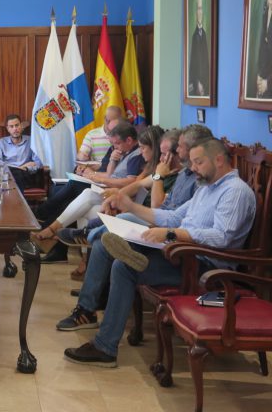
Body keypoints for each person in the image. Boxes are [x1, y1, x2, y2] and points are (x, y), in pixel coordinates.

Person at [62, 138, 255, 368]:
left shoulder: (235, 192)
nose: (192, 168)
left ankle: (105, 347)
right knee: (120, 259)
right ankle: (127, 250)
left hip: (204, 267)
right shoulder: (207, 188)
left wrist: (172, 234)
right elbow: (173, 217)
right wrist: (131, 206)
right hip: (182, 254)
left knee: (124, 267)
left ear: (219, 160)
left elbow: (221, 237)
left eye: (198, 162)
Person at [55, 124, 212, 332]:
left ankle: (87, 236)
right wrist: (121, 199)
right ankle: (87, 309)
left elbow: (166, 213)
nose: (163, 157)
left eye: (174, 150)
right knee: (105, 242)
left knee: (118, 235)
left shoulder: (200, 182)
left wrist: (157, 177)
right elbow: (166, 210)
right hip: (162, 229)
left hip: (177, 245)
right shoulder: (186, 175)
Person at [35, 121, 144, 262]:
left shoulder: (136, 155)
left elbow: (131, 182)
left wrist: (97, 178)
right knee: (80, 200)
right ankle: (82, 259)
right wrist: (112, 160)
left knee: (79, 194)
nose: (114, 147)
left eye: (117, 144)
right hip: (109, 193)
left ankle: (48, 225)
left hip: (117, 198)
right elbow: (112, 175)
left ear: (129, 140)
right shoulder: (122, 151)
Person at [0, 113, 42, 193]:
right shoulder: (0, 142)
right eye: (11, 126)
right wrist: (21, 167)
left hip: (26, 175)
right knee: (15, 174)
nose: (15, 129)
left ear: (21, 126)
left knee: (18, 175)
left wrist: (25, 168)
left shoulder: (31, 141)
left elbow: (38, 162)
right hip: (8, 175)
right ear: (8, 129)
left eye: (17, 125)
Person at [255, 0, 272, 98]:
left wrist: (268, 83)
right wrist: (259, 77)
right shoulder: (264, 14)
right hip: (263, 84)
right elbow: (262, 50)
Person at [188, 0, 210, 97]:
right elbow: (193, 65)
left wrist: (204, 84)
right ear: (196, 13)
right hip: (197, 84)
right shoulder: (193, 36)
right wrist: (197, 83)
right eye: (198, 9)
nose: (199, 12)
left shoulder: (204, 35)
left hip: (205, 84)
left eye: (201, 9)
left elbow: (206, 63)